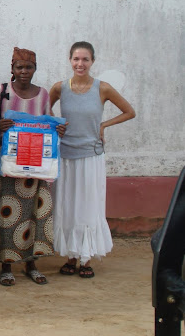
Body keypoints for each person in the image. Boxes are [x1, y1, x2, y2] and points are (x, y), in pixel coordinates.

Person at [49, 41, 135, 278]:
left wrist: (104, 125)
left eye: (85, 59)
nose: (80, 64)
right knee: (67, 206)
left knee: (89, 207)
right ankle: (70, 256)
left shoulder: (102, 88)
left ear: (92, 62)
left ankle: (86, 259)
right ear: (70, 60)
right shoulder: (59, 88)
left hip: (91, 157)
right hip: (66, 156)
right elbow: (43, 109)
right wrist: (55, 125)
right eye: (76, 59)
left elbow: (129, 111)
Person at [0, 47, 65, 287]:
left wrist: (59, 129)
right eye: (19, 67)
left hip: (37, 162)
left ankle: (31, 263)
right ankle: (6, 266)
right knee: (7, 211)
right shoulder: (3, 91)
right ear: (12, 69)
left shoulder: (42, 95)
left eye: (28, 67)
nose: (24, 71)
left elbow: (49, 122)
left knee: (37, 211)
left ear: (35, 69)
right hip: (8, 161)